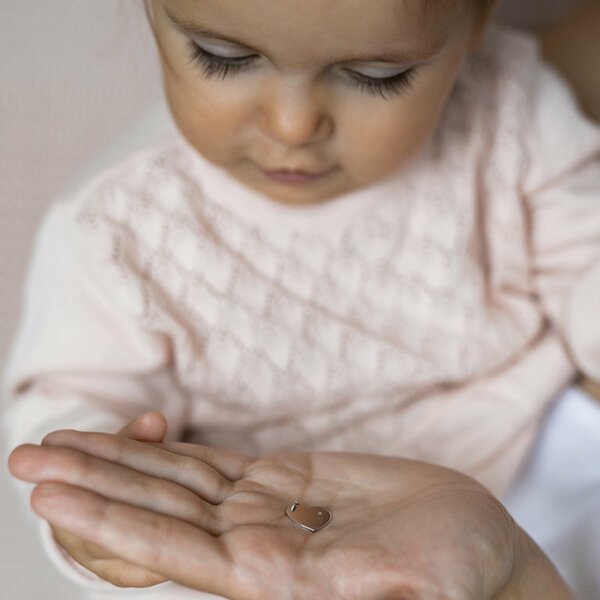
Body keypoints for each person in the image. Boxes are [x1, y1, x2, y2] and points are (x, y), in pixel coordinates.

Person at [4, 0, 600, 597]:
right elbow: (67, 399)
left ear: (475, 22)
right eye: (224, 59)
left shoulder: (513, 111)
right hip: (268, 531)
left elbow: (586, 255)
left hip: (523, 456)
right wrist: (106, 493)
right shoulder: (122, 224)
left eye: (376, 76)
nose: (293, 126)